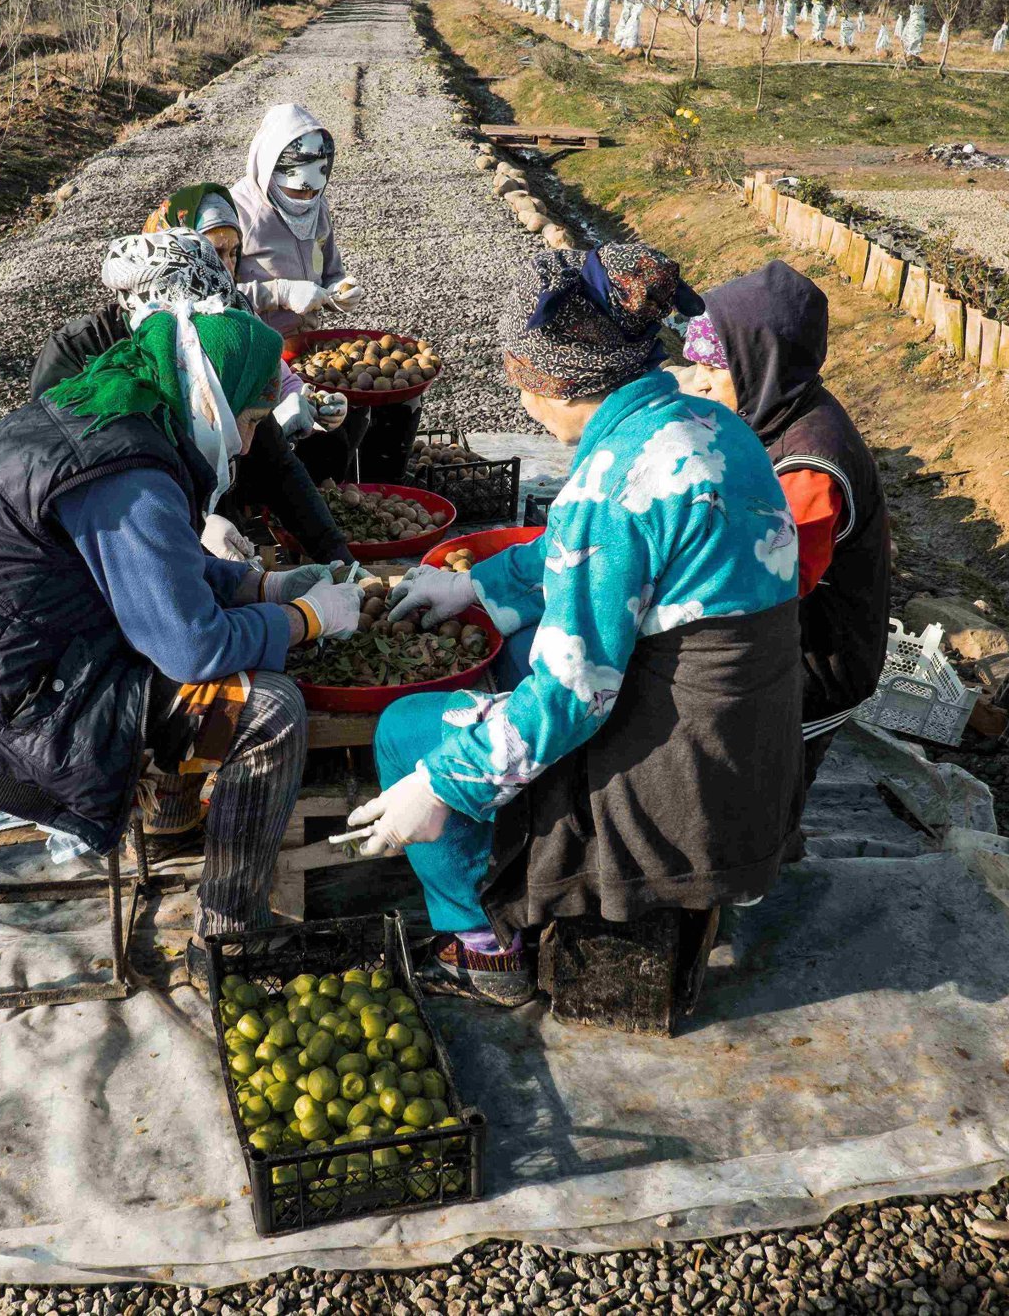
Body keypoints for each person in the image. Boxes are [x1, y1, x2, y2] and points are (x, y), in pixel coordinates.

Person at [0, 295, 366, 984]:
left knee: (206, 665)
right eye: (249, 422)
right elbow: (193, 647)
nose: (248, 446)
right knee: (268, 710)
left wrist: (261, 588)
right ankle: (228, 935)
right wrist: (309, 619)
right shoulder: (130, 472)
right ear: (213, 399)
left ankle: (176, 810)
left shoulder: (111, 405)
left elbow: (152, 572)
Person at [351, 244, 806, 1005]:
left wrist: (442, 782)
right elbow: (579, 556)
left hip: (679, 784)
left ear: (554, 383)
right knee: (523, 653)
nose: (520, 401)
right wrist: (475, 589)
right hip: (750, 752)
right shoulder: (703, 422)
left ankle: (483, 948)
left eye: (521, 381)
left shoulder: (615, 481)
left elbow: (572, 693)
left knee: (407, 728)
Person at [680, 261, 891, 785]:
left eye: (712, 366)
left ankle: (771, 842)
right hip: (788, 635)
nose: (697, 381)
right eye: (695, 363)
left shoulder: (811, 465)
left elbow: (773, 579)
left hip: (818, 661)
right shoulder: (775, 409)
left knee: (768, 775)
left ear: (759, 364)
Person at [27, 227, 353, 565]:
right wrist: (195, 523)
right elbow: (78, 484)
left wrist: (336, 556)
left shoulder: (213, 351)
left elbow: (276, 464)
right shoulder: (77, 355)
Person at [231, 104, 420, 486]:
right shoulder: (237, 214)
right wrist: (279, 292)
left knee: (349, 426)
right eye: (294, 189)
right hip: (259, 353)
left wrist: (338, 290)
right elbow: (214, 298)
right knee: (302, 445)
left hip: (311, 349)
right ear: (268, 170)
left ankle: (345, 496)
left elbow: (330, 268)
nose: (304, 198)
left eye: (314, 189)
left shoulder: (317, 209)